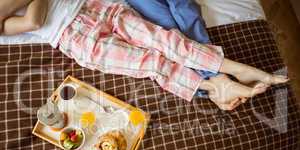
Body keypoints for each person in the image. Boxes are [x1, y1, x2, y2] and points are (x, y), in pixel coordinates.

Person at [0, 0, 289, 110]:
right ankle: (216, 85)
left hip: (95, 6)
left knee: (164, 39)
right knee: (149, 62)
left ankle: (236, 69)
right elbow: (33, 22)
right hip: (73, 38)